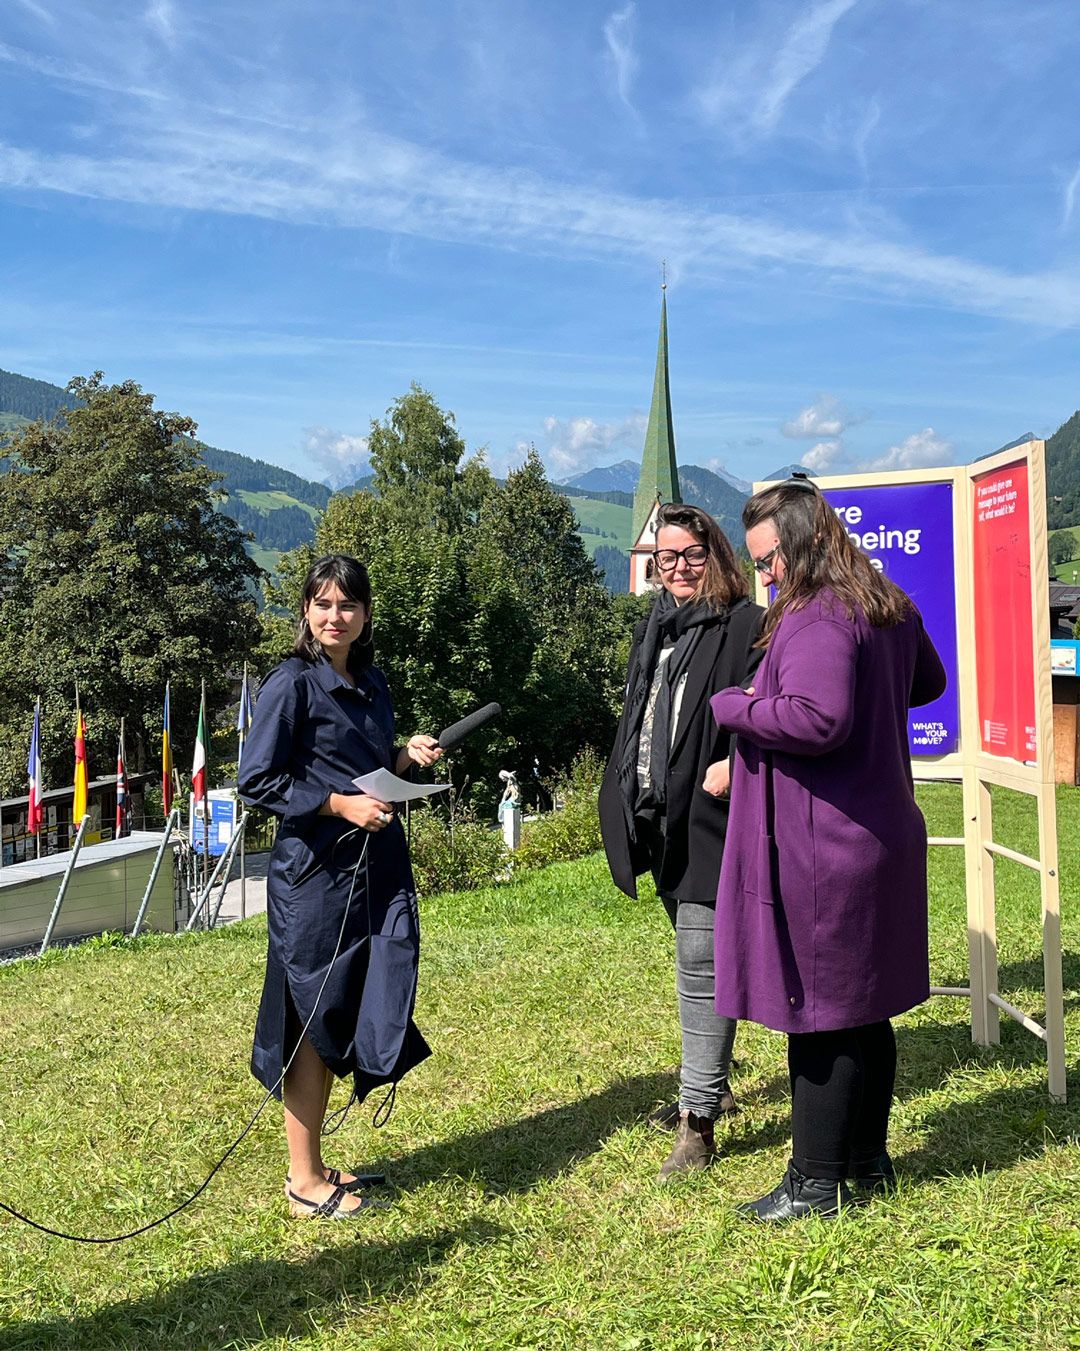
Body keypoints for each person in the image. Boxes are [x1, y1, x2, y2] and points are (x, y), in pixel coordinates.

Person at [710, 477, 946, 1222]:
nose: (765, 576)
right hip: (879, 833)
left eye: (770, 559)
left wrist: (738, 705)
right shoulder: (887, 602)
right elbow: (930, 682)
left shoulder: (815, 614)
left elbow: (818, 719)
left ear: (806, 541)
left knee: (814, 1012)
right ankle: (867, 1165)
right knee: (865, 1010)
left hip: (825, 848)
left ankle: (813, 1184)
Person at [239, 554, 442, 1219]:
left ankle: (317, 1162)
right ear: (305, 610)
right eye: (322, 604)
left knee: (347, 1008)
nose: (334, 616)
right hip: (314, 879)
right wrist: (334, 804)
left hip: (371, 873)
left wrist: (403, 759)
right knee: (310, 1019)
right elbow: (256, 781)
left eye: (347, 605)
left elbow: (366, 767)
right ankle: (302, 1180)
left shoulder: (372, 681)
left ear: (366, 614)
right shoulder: (290, 685)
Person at [599, 503, 764, 1180]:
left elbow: (768, 706)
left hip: (713, 820)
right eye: (666, 558)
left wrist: (737, 758)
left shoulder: (745, 625)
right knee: (700, 954)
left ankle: (698, 1123)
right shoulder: (658, 626)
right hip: (659, 819)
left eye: (692, 554)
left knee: (701, 960)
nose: (678, 568)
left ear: (717, 554)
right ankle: (713, 1081)